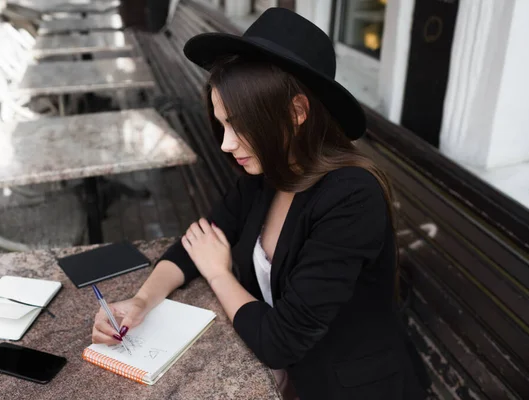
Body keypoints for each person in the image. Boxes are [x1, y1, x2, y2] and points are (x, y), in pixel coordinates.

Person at [92, 8, 430, 399]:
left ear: (297, 112)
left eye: (239, 125)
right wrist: (139, 302)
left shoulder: (352, 197)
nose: (226, 143)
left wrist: (219, 274)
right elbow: (195, 244)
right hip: (286, 377)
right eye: (222, 125)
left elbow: (280, 341)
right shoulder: (268, 175)